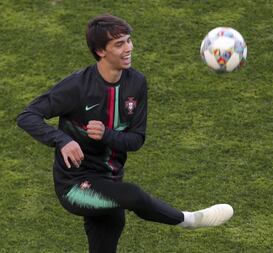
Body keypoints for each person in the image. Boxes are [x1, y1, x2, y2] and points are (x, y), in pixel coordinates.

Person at [17, 14, 233, 253]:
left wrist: (107, 134)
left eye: (129, 41)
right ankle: (189, 220)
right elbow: (27, 116)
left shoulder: (137, 83)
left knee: (110, 230)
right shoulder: (77, 87)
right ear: (100, 51)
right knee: (131, 195)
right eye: (119, 44)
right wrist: (63, 140)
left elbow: (136, 139)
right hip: (75, 187)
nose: (128, 48)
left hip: (110, 181)